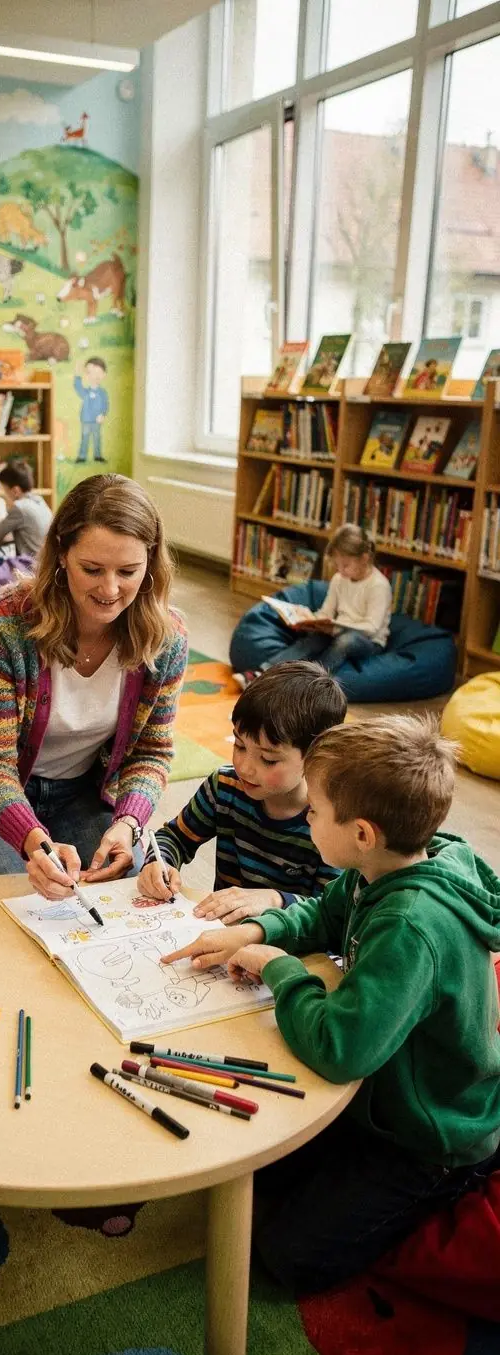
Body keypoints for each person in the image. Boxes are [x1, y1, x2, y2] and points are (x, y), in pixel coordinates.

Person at [161, 714, 500, 1294]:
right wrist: (256, 933)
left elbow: (341, 1050)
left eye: (314, 812)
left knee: (287, 1256)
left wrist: (282, 969)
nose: (306, 817)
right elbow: (322, 913)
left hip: (429, 1136)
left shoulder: (408, 927)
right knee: (254, 1169)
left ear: (362, 833)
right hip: (382, 1099)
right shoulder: (384, 865)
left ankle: (453, 1192)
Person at [0, 472, 188, 895]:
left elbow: (152, 752)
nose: (110, 588)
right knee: (18, 898)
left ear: (151, 563)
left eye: (129, 571)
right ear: (61, 553)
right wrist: (31, 837)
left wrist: (129, 822)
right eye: (92, 569)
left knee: (133, 884)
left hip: (82, 795)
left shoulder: (165, 638)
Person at [138, 662, 345, 921]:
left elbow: (332, 911)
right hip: (223, 936)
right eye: (239, 745)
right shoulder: (225, 786)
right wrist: (160, 863)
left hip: (290, 951)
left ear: (316, 757)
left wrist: (275, 899)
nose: (245, 768)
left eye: (268, 759)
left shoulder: (331, 819)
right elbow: (175, 838)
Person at [236, 524, 392, 687]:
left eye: (345, 565)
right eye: (337, 565)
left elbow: (371, 627)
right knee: (314, 639)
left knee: (346, 641)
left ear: (365, 558)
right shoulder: (339, 579)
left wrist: (336, 629)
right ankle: (262, 674)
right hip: (339, 631)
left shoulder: (379, 585)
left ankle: (310, 683)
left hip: (369, 642)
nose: (340, 570)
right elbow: (326, 612)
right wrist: (309, 620)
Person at [0, 459, 51, 559]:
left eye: (5, 491)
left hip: (29, 565)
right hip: (45, 562)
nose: (5, 496)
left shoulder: (20, 507)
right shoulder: (39, 500)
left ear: (15, 491)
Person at [74, 357, 109, 464]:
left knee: (97, 437)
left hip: (97, 420)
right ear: (87, 375)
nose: (94, 376)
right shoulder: (86, 392)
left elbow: (105, 405)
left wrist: (102, 414)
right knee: (85, 437)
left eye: (98, 372)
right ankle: (82, 456)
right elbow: (78, 387)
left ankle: (97, 455)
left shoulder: (102, 392)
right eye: (90, 372)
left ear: (104, 374)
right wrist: (77, 376)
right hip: (86, 419)